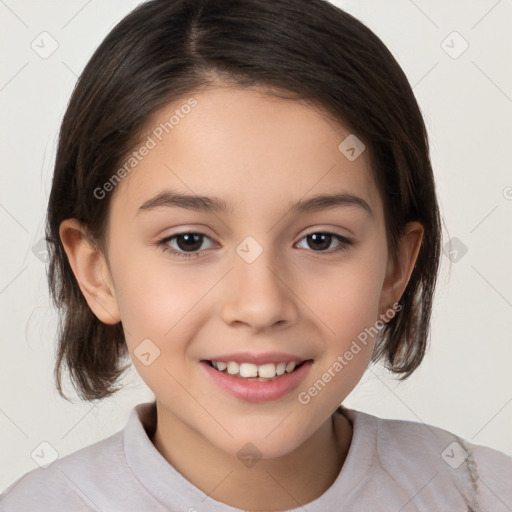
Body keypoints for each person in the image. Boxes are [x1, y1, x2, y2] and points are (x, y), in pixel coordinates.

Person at [1, 0, 511, 510]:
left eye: (320, 240)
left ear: (395, 270)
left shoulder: (481, 492)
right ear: (97, 272)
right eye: (189, 241)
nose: (261, 305)